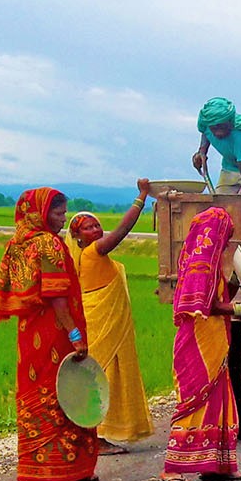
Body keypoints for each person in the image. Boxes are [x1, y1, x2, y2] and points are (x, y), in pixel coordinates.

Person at [0, 187, 98, 481]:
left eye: (64, 213)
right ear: (39, 213)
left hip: (29, 334)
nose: (62, 219)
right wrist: (75, 334)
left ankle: (35, 468)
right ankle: (66, 468)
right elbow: (57, 297)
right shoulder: (48, 245)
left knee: (36, 387)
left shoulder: (17, 243)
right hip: (56, 332)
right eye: (56, 213)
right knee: (66, 390)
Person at [63, 180, 157, 453]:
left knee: (104, 375)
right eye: (87, 228)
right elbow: (123, 230)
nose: (95, 230)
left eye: (96, 225)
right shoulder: (94, 251)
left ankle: (99, 433)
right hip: (101, 320)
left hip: (95, 318)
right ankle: (95, 436)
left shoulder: (80, 255)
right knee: (101, 376)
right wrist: (141, 197)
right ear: (78, 236)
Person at [161, 206, 241, 481]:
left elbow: (220, 295)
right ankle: (172, 468)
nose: (227, 242)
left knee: (218, 395)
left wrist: (239, 277)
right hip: (197, 342)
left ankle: (216, 464)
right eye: (226, 236)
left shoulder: (210, 263)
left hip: (213, 340)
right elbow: (209, 306)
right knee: (194, 400)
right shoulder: (201, 264)